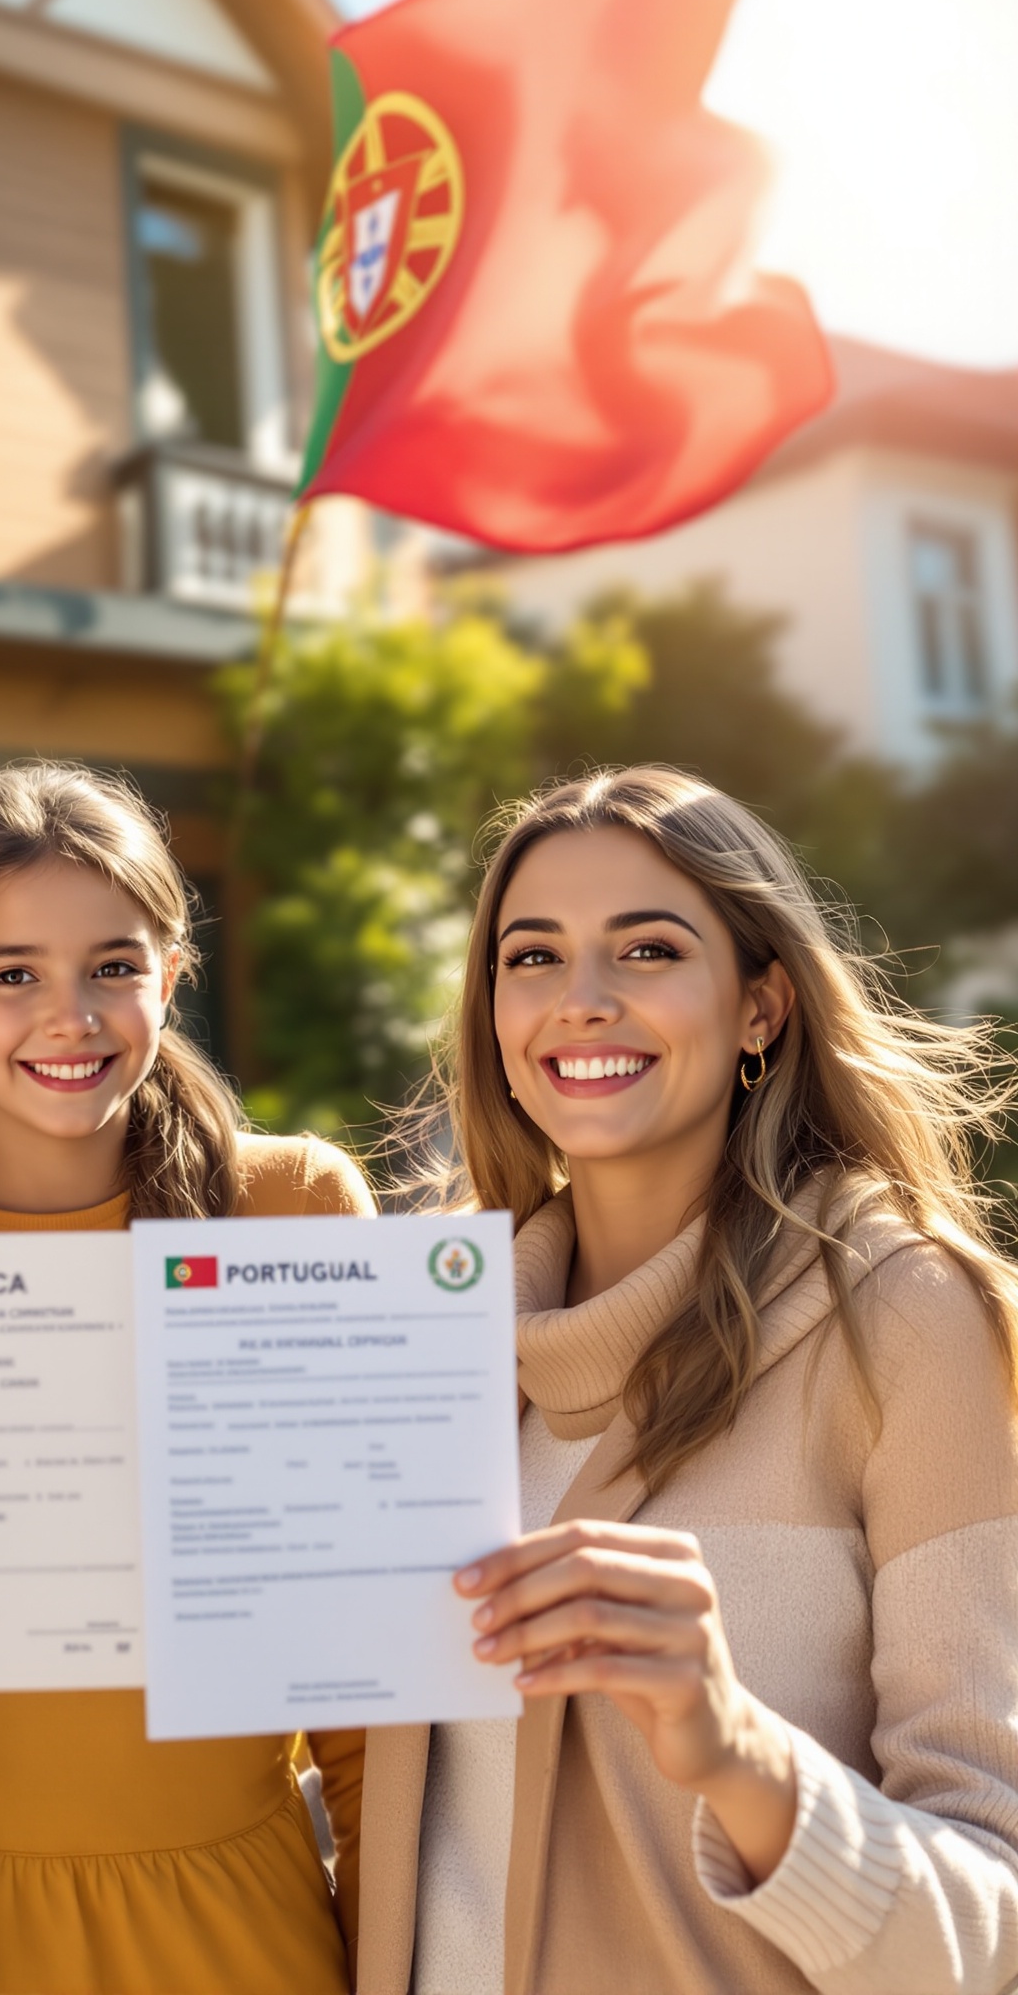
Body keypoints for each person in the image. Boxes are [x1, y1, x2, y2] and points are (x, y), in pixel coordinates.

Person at [358, 765, 1018, 1995]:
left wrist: (732, 1749)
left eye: (647, 951)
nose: (581, 1002)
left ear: (760, 1005)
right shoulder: (424, 1335)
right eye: (532, 957)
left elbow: (995, 1926)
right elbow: (439, 1817)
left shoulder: (900, 1316)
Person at [0, 761, 368, 1995]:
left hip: (249, 1920)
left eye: (113, 968)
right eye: (11, 974)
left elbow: (359, 1668)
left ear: (170, 976)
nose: (67, 1016)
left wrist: (391, 1937)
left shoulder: (290, 1207)